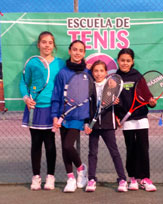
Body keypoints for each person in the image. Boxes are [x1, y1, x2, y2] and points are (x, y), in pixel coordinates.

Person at [19, 31, 65, 190]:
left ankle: (50, 177)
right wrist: (26, 98)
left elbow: (70, 77)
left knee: (50, 144)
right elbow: (23, 82)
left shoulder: (60, 63)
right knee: (36, 144)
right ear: (38, 44)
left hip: (52, 109)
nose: (47, 45)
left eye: (50, 42)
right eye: (44, 42)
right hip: (34, 108)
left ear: (54, 45)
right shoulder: (32, 63)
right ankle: (36, 177)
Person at [115, 48, 157, 192]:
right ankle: (132, 177)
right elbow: (113, 100)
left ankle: (145, 178)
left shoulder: (138, 76)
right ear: (118, 61)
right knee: (131, 149)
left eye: (128, 61)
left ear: (132, 62)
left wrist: (152, 102)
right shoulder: (115, 78)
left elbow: (147, 96)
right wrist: (116, 115)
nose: (125, 63)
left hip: (141, 119)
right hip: (126, 121)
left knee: (143, 149)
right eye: (122, 60)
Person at [51, 40, 89, 193]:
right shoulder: (62, 73)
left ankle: (81, 168)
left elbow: (91, 95)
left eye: (80, 50)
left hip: (78, 116)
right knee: (65, 148)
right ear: (69, 51)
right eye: (75, 49)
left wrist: (87, 119)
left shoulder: (88, 73)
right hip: (62, 115)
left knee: (67, 145)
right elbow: (56, 96)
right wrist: (55, 115)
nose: (77, 52)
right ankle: (70, 179)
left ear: (84, 53)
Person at [84, 60, 128, 192]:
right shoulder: (89, 87)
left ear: (106, 72)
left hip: (108, 125)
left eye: (101, 71)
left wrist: (117, 103)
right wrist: (87, 123)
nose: (98, 73)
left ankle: (122, 179)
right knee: (92, 153)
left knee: (114, 152)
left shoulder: (111, 85)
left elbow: (118, 105)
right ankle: (91, 179)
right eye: (96, 71)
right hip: (94, 126)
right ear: (92, 73)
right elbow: (87, 108)